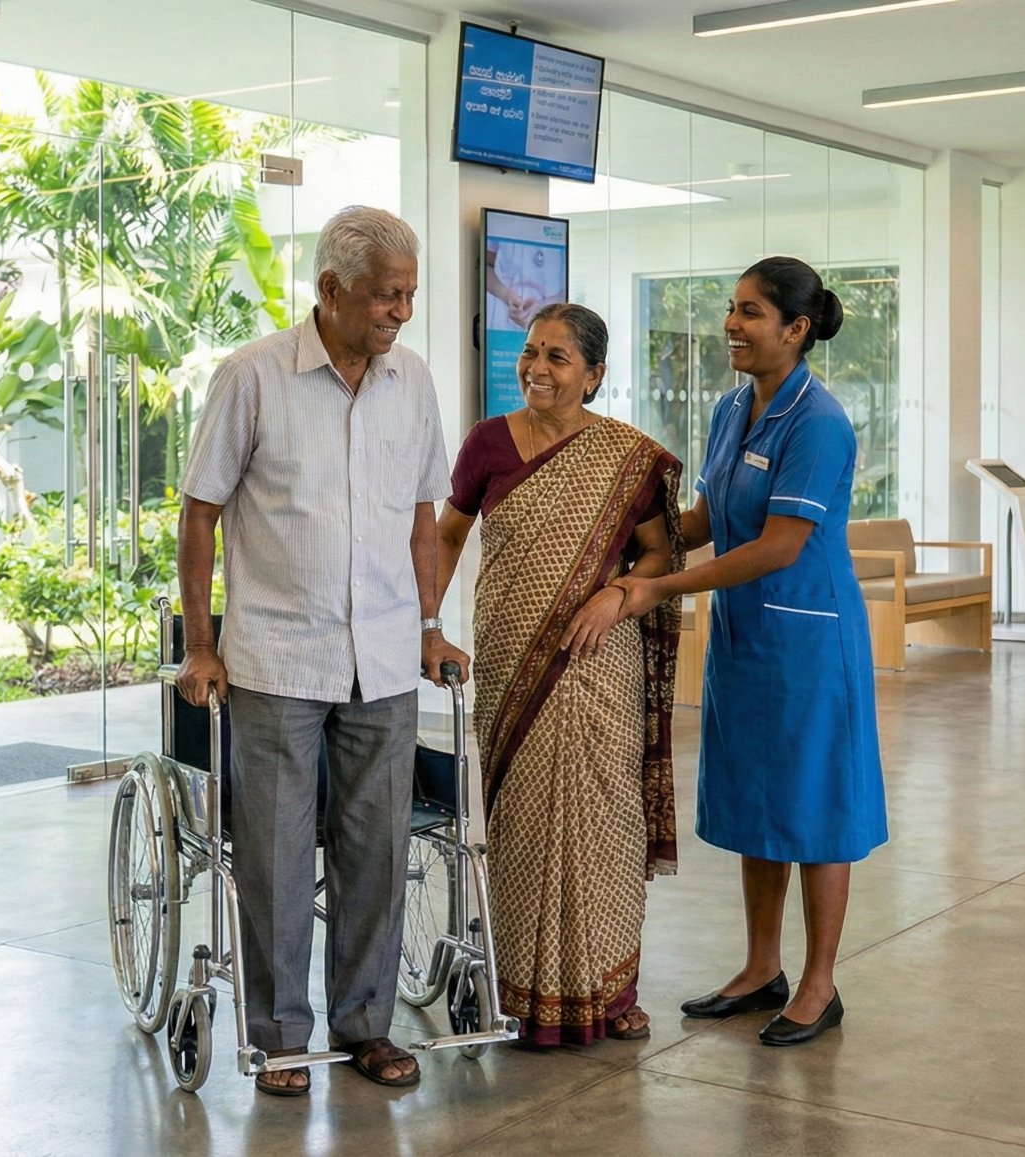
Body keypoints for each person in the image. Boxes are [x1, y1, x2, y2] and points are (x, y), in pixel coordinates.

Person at [175, 206, 470, 1096]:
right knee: (271, 852)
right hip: (277, 659)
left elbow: (423, 511)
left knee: (376, 850)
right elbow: (200, 512)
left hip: (382, 659)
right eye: (388, 295)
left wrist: (427, 623)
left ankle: (365, 1028)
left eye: (411, 295)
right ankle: (278, 1036)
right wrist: (201, 644)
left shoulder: (410, 382)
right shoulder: (254, 377)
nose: (402, 312)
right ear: (332, 290)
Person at [613, 257, 888, 1048]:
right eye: (732, 309)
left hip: (808, 645)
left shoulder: (821, 423)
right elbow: (708, 513)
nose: (732, 324)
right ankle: (760, 966)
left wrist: (665, 588)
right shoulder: (734, 408)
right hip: (747, 640)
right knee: (760, 803)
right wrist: (632, 553)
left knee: (815, 808)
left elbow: (778, 545)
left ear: (796, 330)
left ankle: (818, 983)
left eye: (751, 312)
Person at [435, 303, 683, 1047]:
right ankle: (525, 990)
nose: (537, 368)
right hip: (513, 656)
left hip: (601, 659)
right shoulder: (487, 444)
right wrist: (425, 623)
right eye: (532, 352)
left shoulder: (629, 458)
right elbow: (448, 533)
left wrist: (618, 592)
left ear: (594, 375)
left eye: (559, 358)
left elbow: (658, 554)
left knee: (604, 818)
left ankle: (614, 991)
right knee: (519, 822)